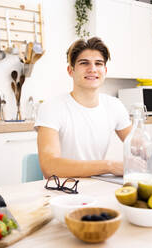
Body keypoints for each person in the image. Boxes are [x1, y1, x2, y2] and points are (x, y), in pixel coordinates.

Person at [34, 37, 132, 178]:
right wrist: (108, 166)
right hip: (63, 191)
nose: (92, 69)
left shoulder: (114, 105)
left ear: (104, 70)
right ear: (70, 70)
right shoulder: (52, 107)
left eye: (98, 64)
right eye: (84, 63)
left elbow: (140, 148)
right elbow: (49, 167)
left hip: (98, 186)